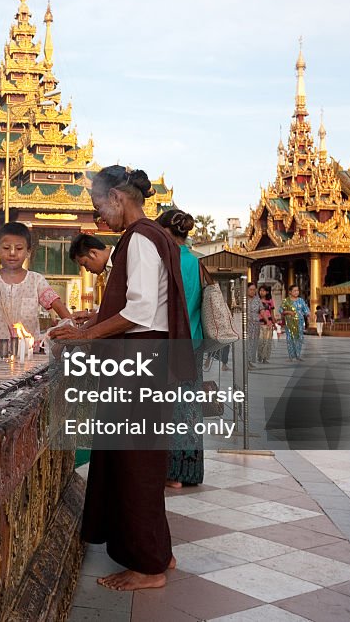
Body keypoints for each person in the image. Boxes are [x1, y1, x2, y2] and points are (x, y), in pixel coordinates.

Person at [49, 166, 194, 591]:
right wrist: (93, 319)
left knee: (136, 464)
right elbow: (138, 307)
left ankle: (147, 567)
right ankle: (159, 552)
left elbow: (141, 312)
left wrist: (86, 335)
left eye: (99, 207)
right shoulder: (149, 236)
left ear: (116, 197)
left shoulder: (140, 239)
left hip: (141, 367)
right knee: (139, 460)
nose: (99, 219)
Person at [157, 209, 204, 489]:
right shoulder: (196, 262)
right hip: (194, 342)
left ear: (165, 231)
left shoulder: (167, 260)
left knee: (170, 407)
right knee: (190, 407)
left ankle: (172, 473)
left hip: (170, 342)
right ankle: (190, 472)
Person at [0, 222, 71, 347]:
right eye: (6, 248)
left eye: (19, 248)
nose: (12, 253)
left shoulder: (36, 280)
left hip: (29, 350)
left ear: (28, 252)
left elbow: (58, 305)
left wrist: (72, 328)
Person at [68, 233, 111, 326]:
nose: (87, 270)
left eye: (85, 264)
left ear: (93, 253)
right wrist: (90, 315)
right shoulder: (108, 270)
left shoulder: (121, 260)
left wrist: (83, 333)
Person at [281, 284, 309, 362]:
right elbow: (281, 311)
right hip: (289, 323)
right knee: (290, 339)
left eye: (297, 290)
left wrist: (308, 314)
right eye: (295, 291)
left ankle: (298, 355)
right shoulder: (286, 301)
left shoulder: (301, 300)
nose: (297, 292)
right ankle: (291, 356)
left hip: (299, 322)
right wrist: (288, 312)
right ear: (290, 292)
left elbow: (306, 310)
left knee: (299, 339)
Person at [257, 285, 276, 363]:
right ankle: (260, 356)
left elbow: (272, 313)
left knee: (267, 342)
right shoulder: (257, 300)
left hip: (268, 323)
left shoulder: (270, 301)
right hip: (259, 323)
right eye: (260, 290)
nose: (261, 292)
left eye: (263, 290)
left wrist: (274, 323)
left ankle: (265, 358)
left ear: (267, 292)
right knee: (260, 341)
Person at [246, 283, 260, 366]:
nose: (252, 291)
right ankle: (245, 361)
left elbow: (261, 310)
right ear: (247, 290)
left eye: (254, 290)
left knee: (254, 342)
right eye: (251, 289)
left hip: (256, 324)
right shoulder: (243, 299)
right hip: (246, 324)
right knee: (247, 342)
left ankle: (250, 361)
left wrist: (268, 321)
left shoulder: (257, 300)